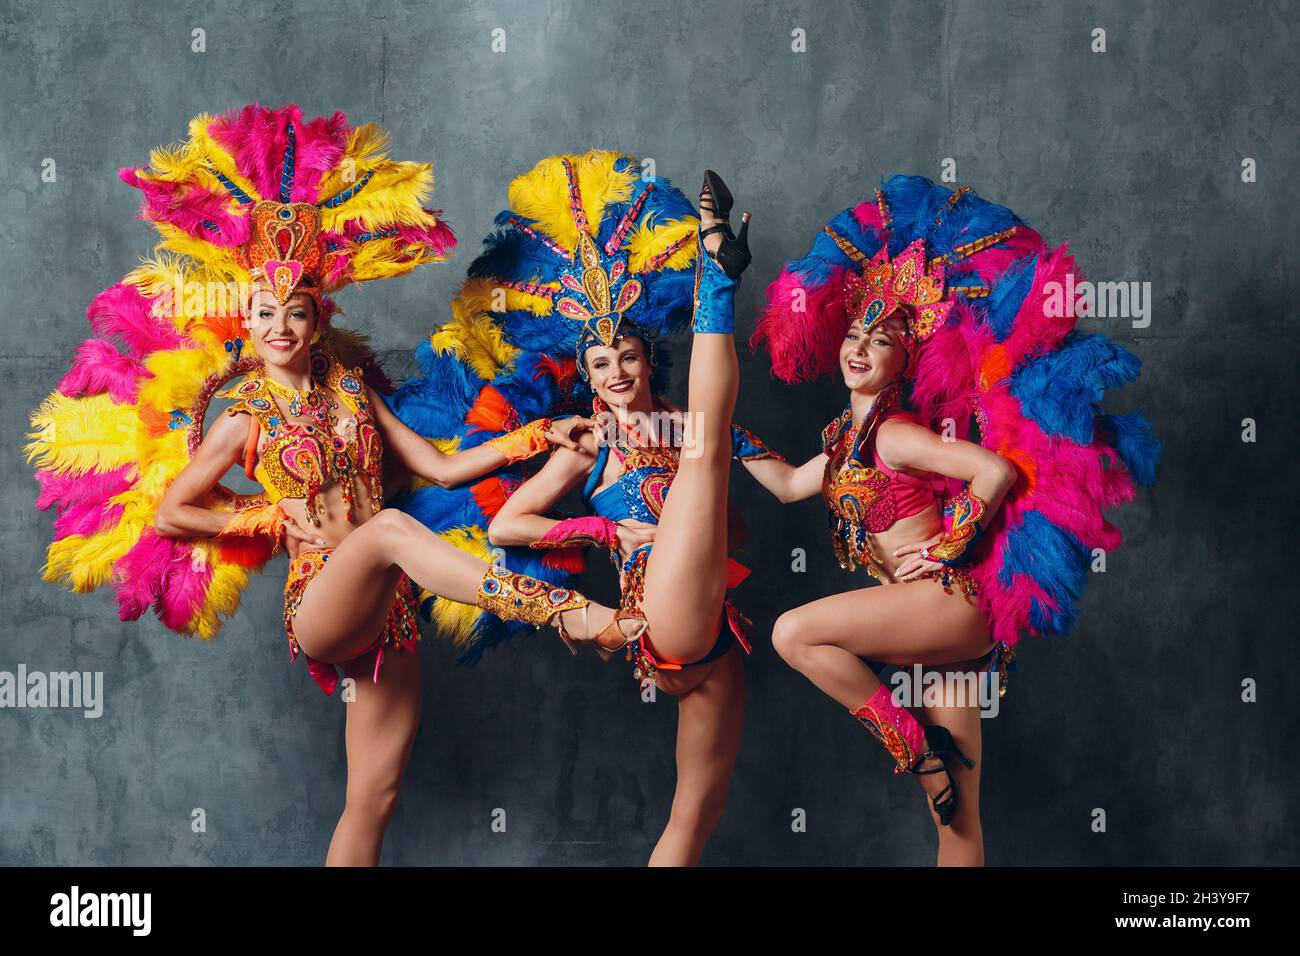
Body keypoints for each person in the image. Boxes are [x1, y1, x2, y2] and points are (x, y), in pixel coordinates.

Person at [27, 104, 612, 866]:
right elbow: (175, 512)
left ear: (314, 318)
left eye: (295, 313)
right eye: (266, 313)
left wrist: (539, 435)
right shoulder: (243, 413)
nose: (280, 326)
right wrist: (268, 516)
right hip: (323, 600)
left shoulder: (347, 384)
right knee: (396, 532)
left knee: (375, 796)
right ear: (249, 321)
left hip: (389, 610)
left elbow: (436, 467)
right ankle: (569, 615)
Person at [748, 175, 1161, 865]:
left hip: (950, 602)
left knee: (793, 633)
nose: (858, 348)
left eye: (879, 340)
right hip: (937, 623)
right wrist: (714, 434)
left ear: (904, 359)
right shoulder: (842, 440)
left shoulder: (896, 433)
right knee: (958, 826)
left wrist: (950, 547)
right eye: (853, 332)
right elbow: (790, 486)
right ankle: (935, 769)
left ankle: (916, 751)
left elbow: (996, 472)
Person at [473, 152, 778, 864]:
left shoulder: (687, 419)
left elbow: (794, 484)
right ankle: (718, 272)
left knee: (699, 812)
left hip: (719, 635)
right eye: (600, 364)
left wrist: (866, 439)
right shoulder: (589, 441)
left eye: (628, 357)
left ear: (649, 360)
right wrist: (602, 527)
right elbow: (505, 524)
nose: (616, 373)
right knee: (705, 445)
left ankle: (718, 267)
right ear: (586, 376)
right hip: (658, 618)